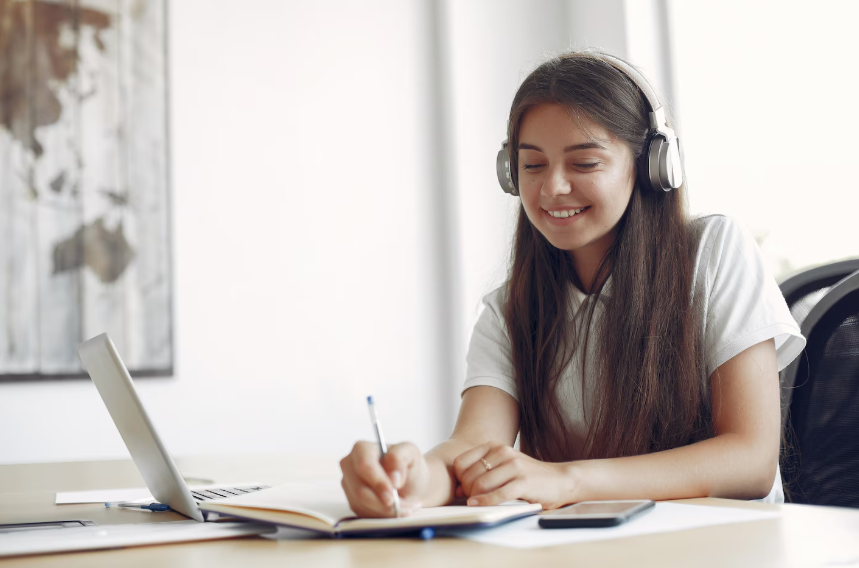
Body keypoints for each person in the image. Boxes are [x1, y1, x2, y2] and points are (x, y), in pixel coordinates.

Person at [339, 50, 805, 517]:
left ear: (650, 167)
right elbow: (472, 447)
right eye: (533, 165)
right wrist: (413, 480)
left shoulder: (714, 252)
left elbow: (750, 460)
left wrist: (567, 480)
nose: (551, 188)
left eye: (584, 164)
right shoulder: (511, 309)